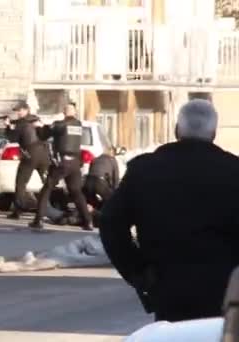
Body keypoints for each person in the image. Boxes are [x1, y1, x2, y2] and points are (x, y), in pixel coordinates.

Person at [100, 99, 239, 322]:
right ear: (214, 132)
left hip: (166, 286)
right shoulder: (234, 171)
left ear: (177, 130)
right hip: (223, 288)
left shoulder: (144, 170)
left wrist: (138, 271)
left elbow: (110, 222)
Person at [31, 102, 92, 231]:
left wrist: (39, 126)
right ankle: (88, 221)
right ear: (74, 112)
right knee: (76, 191)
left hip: (62, 162)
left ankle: (38, 220)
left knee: (47, 188)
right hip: (75, 162)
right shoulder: (79, 124)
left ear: (64, 112)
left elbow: (43, 135)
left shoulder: (60, 125)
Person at [4, 100, 50, 219]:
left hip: (30, 155)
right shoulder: (36, 119)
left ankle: (18, 210)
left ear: (26, 110)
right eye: (17, 111)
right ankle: (50, 207)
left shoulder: (22, 124)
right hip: (44, 154)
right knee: (48, 183)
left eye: (20, 110)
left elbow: (12, 138)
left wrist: (8, 126)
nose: (18, 113)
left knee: (20, 183)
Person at [83, 147, 120, 226]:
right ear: (112, 153)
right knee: (110, 201)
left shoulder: (95, 159)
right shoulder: (112, 160)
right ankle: (107, 219)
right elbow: (115, 178)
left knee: (91, 201)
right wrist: (115, 193)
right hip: (99, 182)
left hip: (88, 181)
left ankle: (88, 218)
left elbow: (90, 171)